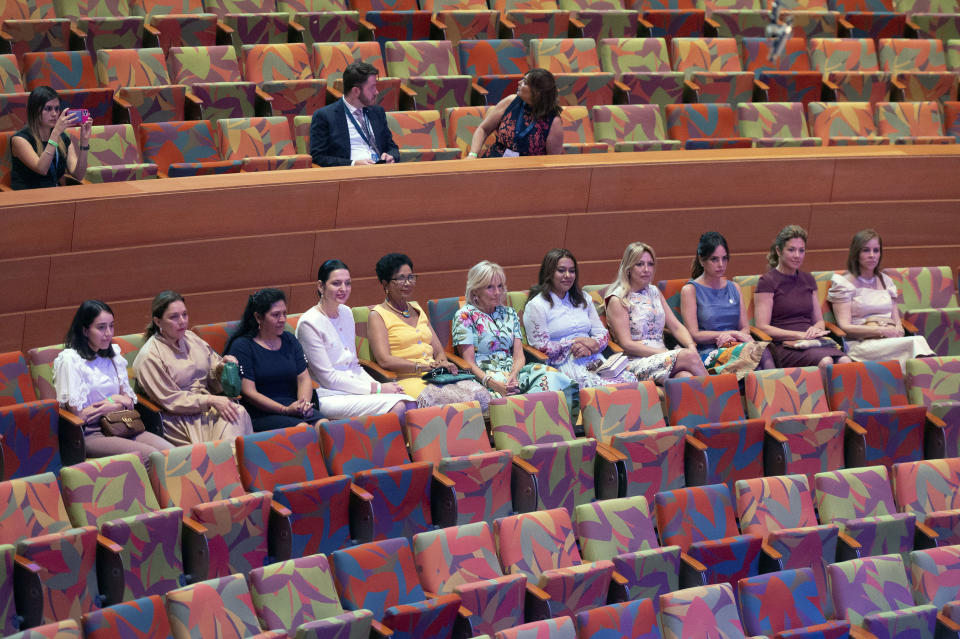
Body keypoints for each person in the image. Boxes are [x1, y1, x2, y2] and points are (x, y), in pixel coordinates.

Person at [53, 300, 173, 470]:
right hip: (91, 433)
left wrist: (111, 402)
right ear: (85, 330)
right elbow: (79, 415)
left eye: (111, 326)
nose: (108, 333)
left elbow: (130, 402)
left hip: (122, 424)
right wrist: (114, 404)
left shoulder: (113, 354)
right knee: (148, 457)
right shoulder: (70, 360)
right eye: (101, 327)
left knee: (171, 453)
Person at [296, 259, 416, 419]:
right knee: (399, 406)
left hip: (357, 385)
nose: (343, 289)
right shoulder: (309, 322)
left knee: (410, 403)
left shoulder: (346, 312)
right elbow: (328, 378)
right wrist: (377, 389)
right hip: (330, 394)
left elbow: (353, 364)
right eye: (336, 283)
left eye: (347, 283)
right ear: (321, 286)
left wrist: (377, 387)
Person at [368, 253, 490, 409]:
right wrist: (421, 367)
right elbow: (384, 360)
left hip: (435, 375)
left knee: (482, 395)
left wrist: (442, 361)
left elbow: (439, 350)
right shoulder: (378, 315)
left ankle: (475, 434)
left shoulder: (417, 309)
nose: (407, 283)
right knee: (445, 402)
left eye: (411, 277)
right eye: (400, 278)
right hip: (407, 378)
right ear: (385, 283)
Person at [133, 290, 253, 445]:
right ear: (158, 321)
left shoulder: (191, 337)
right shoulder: (150, 356)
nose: (182, 321)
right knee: (235, 415)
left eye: (185, 314)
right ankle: (231, 463)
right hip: (177, 417)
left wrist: (223, 367)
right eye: (174, 317)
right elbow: (171, 400)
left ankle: (225, 462)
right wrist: (210, 400)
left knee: (237, 413)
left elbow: (213, 368)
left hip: (208, 406)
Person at [453, 260, 578, 406]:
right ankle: (525, 422)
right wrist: (493, 383)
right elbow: (468, 363)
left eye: (500, 286)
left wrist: (514, 374)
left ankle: (552, 425)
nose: (498, 292)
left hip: (514, 371)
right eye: (490, 287)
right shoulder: (464, 316)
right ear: (475, 291)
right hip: (484, 375)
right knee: (510, 400)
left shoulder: (509, 313)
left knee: (553, 378)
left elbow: (519, 355)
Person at [523, 248, 637, 388]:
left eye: (572, 271)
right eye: (561, 270)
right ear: (549, 273)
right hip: (563, 364)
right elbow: (541, 347)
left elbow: (602, 333)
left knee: (630, 382)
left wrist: (591, 346)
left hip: (594, 358)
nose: (568, 275)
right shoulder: (536, 305)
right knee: (601, 388)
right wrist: (574, 343)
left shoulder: (583, 298)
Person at [605, 243, 708, 384]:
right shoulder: (618, 299)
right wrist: (667, 354)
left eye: (650, 264)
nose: (646, 269)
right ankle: (721, 394)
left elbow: (676, 327)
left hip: (664, 357)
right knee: (687, 357)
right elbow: (627, 344)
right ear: (628, 268)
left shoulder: (654, 292)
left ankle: (707, 403)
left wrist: (690, 346)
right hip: (637, 361)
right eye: (639, 264)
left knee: (685, 377)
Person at [826, 229, 934, 363]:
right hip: (861, 344)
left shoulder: (886, 280)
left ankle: (918, 380)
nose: (872, 255)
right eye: (866, 250)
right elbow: (845, 326)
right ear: (856, 253)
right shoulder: (844, 283)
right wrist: (880, 331)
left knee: (915, 343)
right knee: (916, 343)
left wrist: (898, 330)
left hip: (890, 341)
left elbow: (896, 319)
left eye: (876, 250)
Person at [755, 225, 853, 369]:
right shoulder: (767, 282)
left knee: (845, 362)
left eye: (801, 250)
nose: (797, 255)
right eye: (791, 250)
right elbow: (762, 327)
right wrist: (799, 335)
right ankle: (824, 393)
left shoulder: (808, 279)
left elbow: (819, 321)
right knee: (826, 362)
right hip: (785, 345)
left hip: (811, 341)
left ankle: (841, 393)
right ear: (778, 250)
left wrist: (815, 329)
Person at [223, 289, 322, 431]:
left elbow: (303, 379)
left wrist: (303, 404)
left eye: (284, 313)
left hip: (293, 406)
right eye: (275, 315)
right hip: (261, 412)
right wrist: (284, 410)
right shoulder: (243, 346)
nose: (282, 319)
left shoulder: (289, 340)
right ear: (258, 317)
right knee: (302, 430)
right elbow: (249, 392)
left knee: (324, 426)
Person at [680, 232, 775, 375]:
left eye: (724, 259)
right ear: (701, 260)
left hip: (736, 345)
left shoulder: (734, 287)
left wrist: (734, 336)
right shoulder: (690, 290)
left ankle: (774, 395)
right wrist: (728, 333)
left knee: (763, 354)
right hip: (710, 351)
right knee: (755, 359)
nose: (721, 265)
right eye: (714, 259)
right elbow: (694, 334)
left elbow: (745, 328)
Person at [309, 61, 400, 167]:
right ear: (356, 91)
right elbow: (318, 157)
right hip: (350, 176)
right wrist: (353, 164)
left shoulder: (377, 112)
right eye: (372, 87)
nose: (376, 92)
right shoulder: (325, 116)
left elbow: (392, 147)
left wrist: (391, 156)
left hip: (381, 170)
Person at [466, 69, 563, 158]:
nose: (519, 82)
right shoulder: (510, 101)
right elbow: (483, 129)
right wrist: (473, 154)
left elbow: (553, 160)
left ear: (537, 92)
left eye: (525, 82)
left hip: (528, 171)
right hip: (495, 160)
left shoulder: (553, 121)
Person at [11, 86, 90, 189]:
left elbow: (78, 175)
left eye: (57, 109)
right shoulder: (20, 139)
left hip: (53, 195)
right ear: (35, 110)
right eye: (48, 109)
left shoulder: (62, 138)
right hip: (27, 197)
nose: (54, 114)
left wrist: (84, 142)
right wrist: (56, 133)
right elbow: (42, 169)